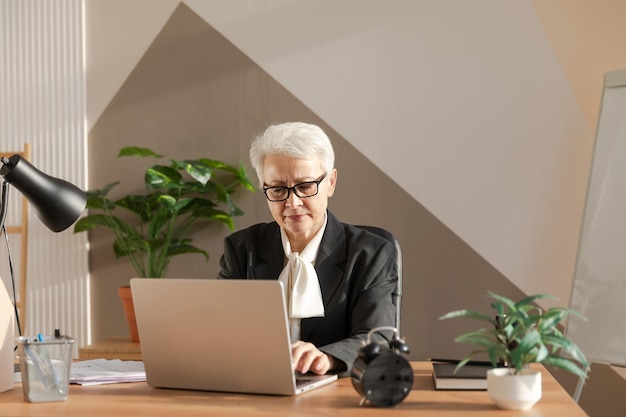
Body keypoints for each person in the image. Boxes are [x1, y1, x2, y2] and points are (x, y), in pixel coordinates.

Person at [218, 122, 398, 377]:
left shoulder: (371, 253)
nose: (292, 202)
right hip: (255, 386)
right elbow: (221, 330)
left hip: (334, 394)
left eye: (305, 186)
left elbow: (378, 338)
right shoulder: (241, 249)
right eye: (278, 189)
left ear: (331, 182)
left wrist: (327, 358)